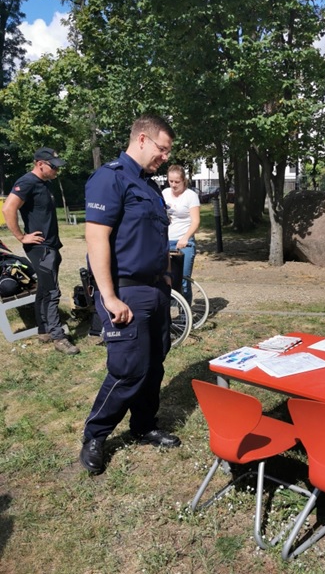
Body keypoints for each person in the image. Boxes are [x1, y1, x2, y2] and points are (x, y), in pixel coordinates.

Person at [80, 114, 180, 475]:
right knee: (127, 370)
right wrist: (109, 296)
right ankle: (96, 435)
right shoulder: (110, 178)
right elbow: (96, 239)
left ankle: (143, 425)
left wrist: (167, 278)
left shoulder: (150, 187)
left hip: (155, 289)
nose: (165, 157)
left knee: (154, 362)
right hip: (125, 290)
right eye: (162, 149)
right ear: (141, 139)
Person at [2, 148, 80, 355]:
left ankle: (44, 330)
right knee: (53, 291)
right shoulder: (27, 182)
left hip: (51, 246)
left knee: (44, 289)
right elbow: (8, 208)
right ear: (39, 164)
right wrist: (21, 236)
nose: (56, 170)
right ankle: (58, 337)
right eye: (53, 166)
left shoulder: (44, 183)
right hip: (40, 248)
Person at [162, 165, 200, 304]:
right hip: (166, 241)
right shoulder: (165, 193)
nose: (173, 185)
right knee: (165, 279)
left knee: (183, 280)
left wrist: (185, 238)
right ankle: (167, 317)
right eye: (171, 181)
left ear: (184, 180)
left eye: (177, 182)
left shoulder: (191, 196)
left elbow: (195, 221)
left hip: (184, 242)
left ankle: (185, 318)